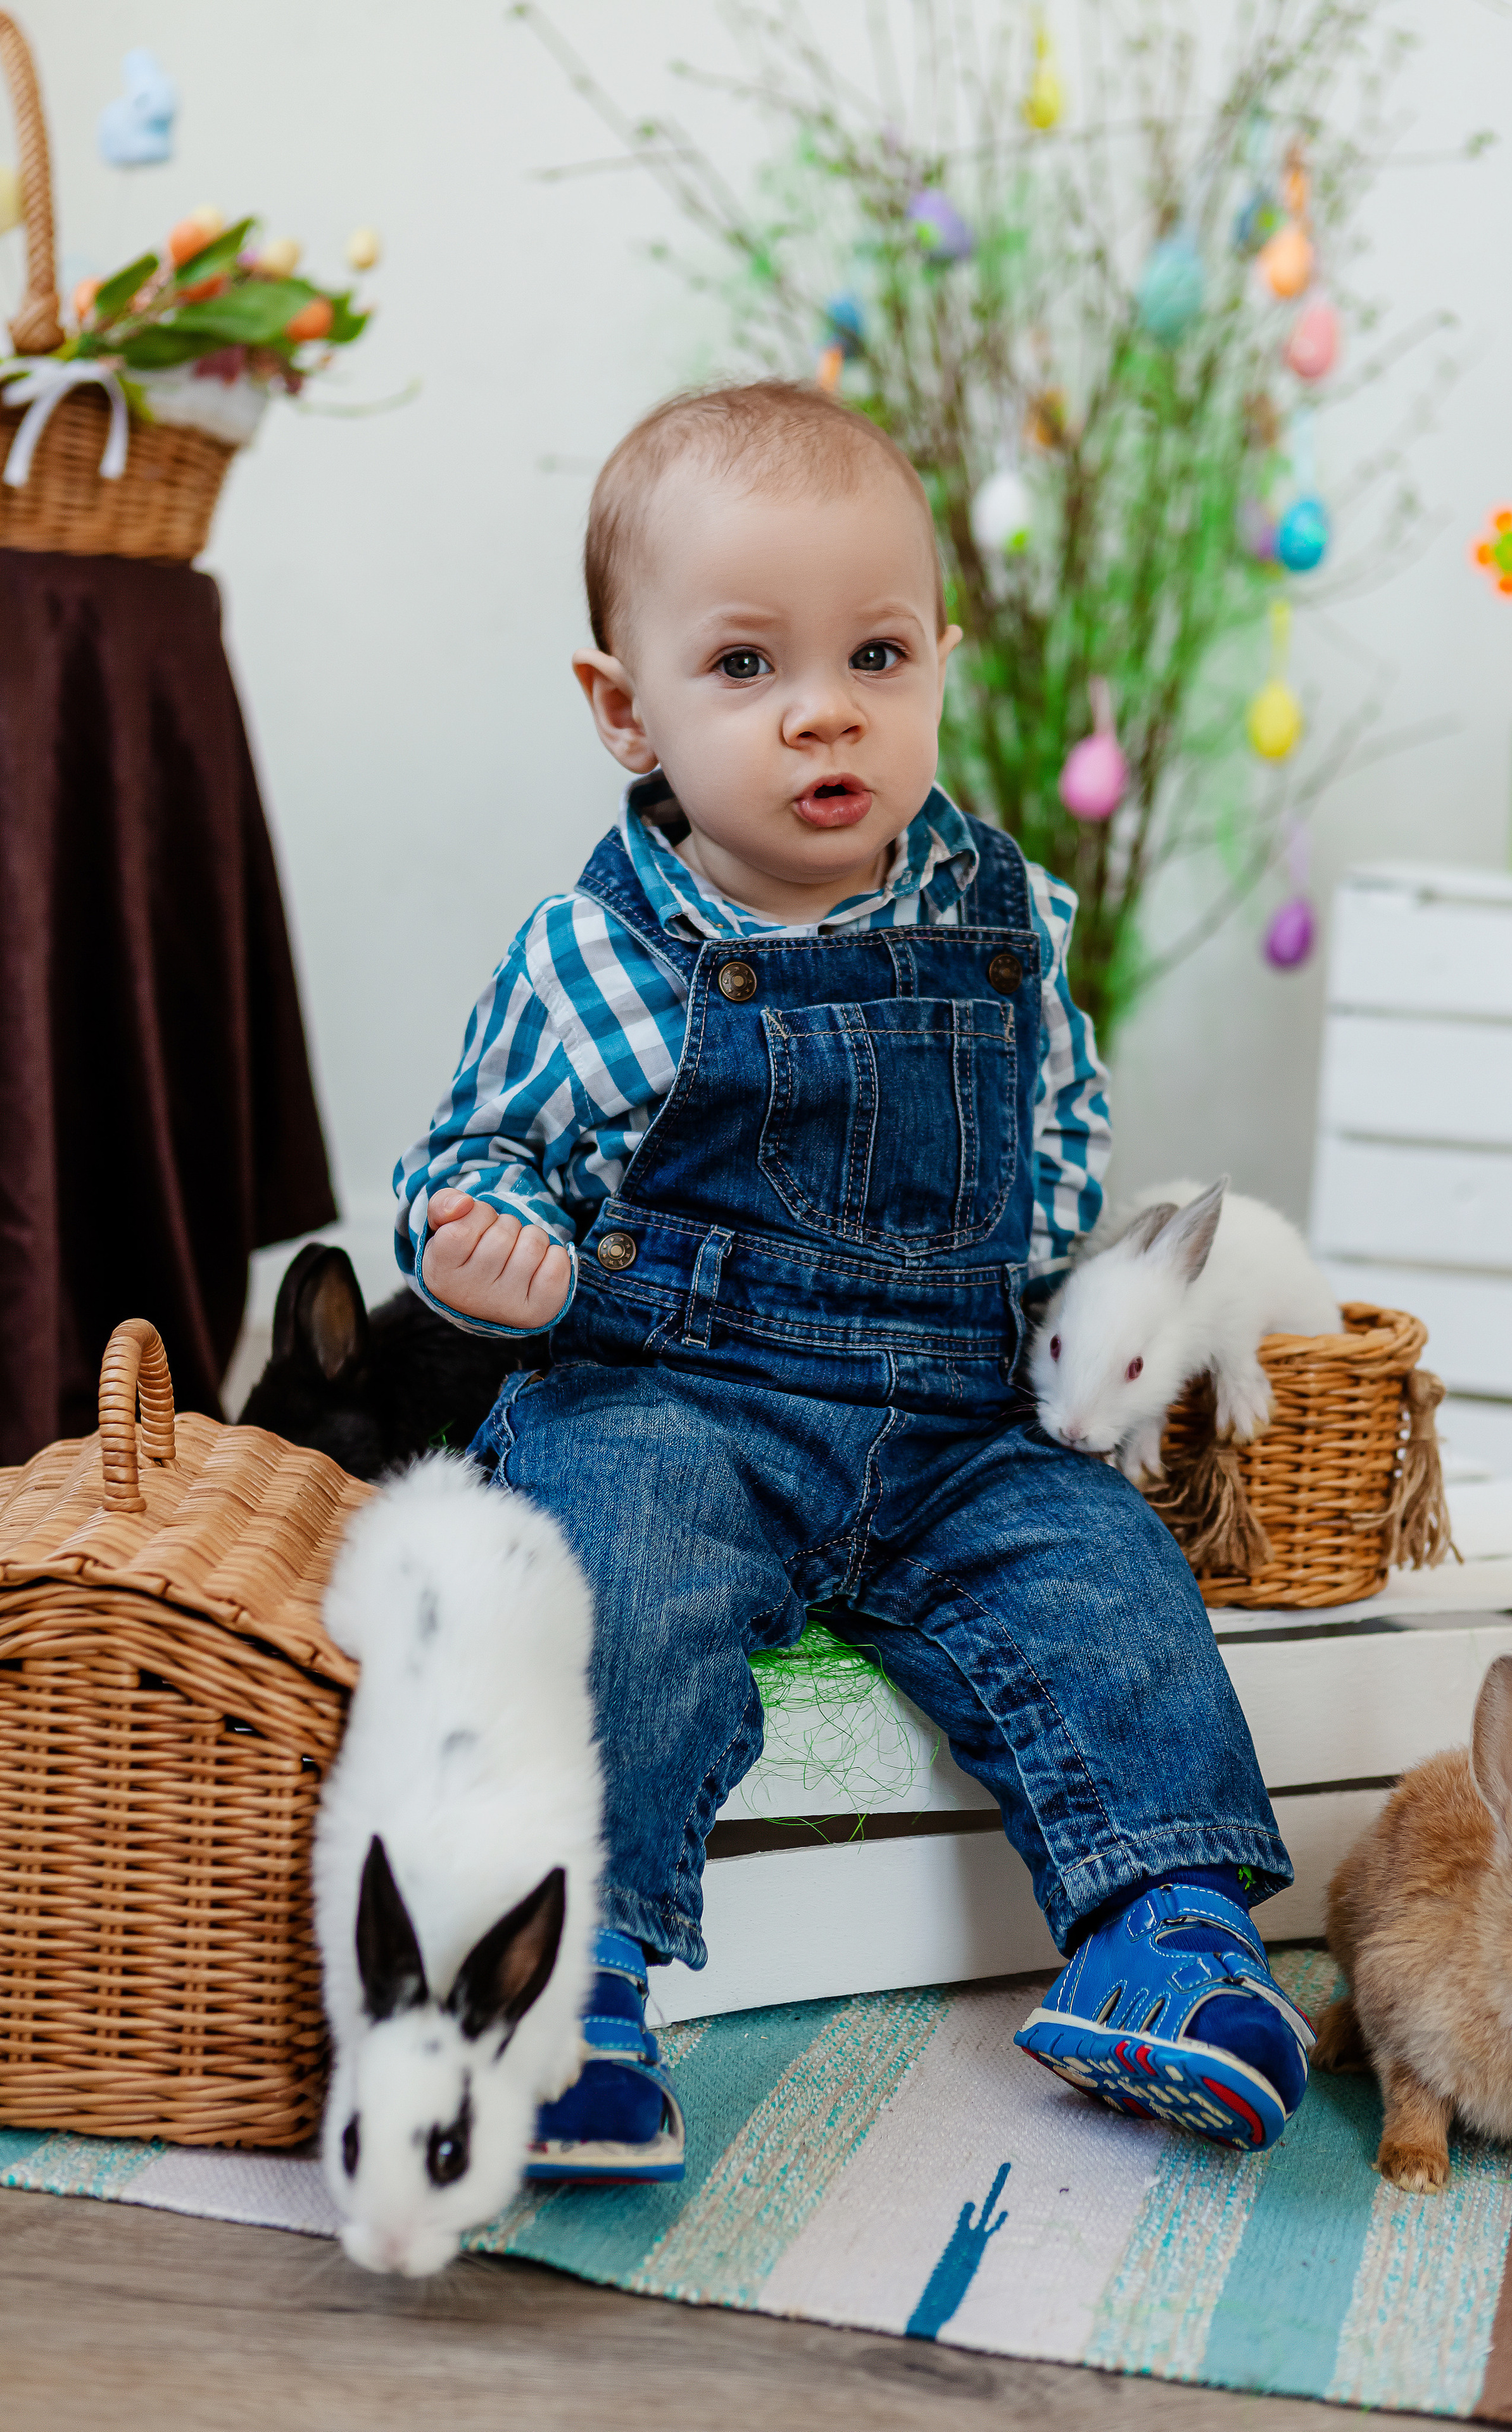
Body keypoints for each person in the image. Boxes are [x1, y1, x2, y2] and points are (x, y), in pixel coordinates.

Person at [393, 381, 1311, 2181]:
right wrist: (484, 1256)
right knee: (615, 1570)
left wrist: (1071, 1314)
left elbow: (1057, 1144)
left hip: (957, 1406)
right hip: (684, 1399)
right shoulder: (601, 954)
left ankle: (1167, 1936)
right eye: (745, 667)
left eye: (878, 654)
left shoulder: (1009, 918)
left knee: (1104, 1580)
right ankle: (578, 1982)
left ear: (944, 665)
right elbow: (469, 1165)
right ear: (623, 710)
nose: (825, 709)